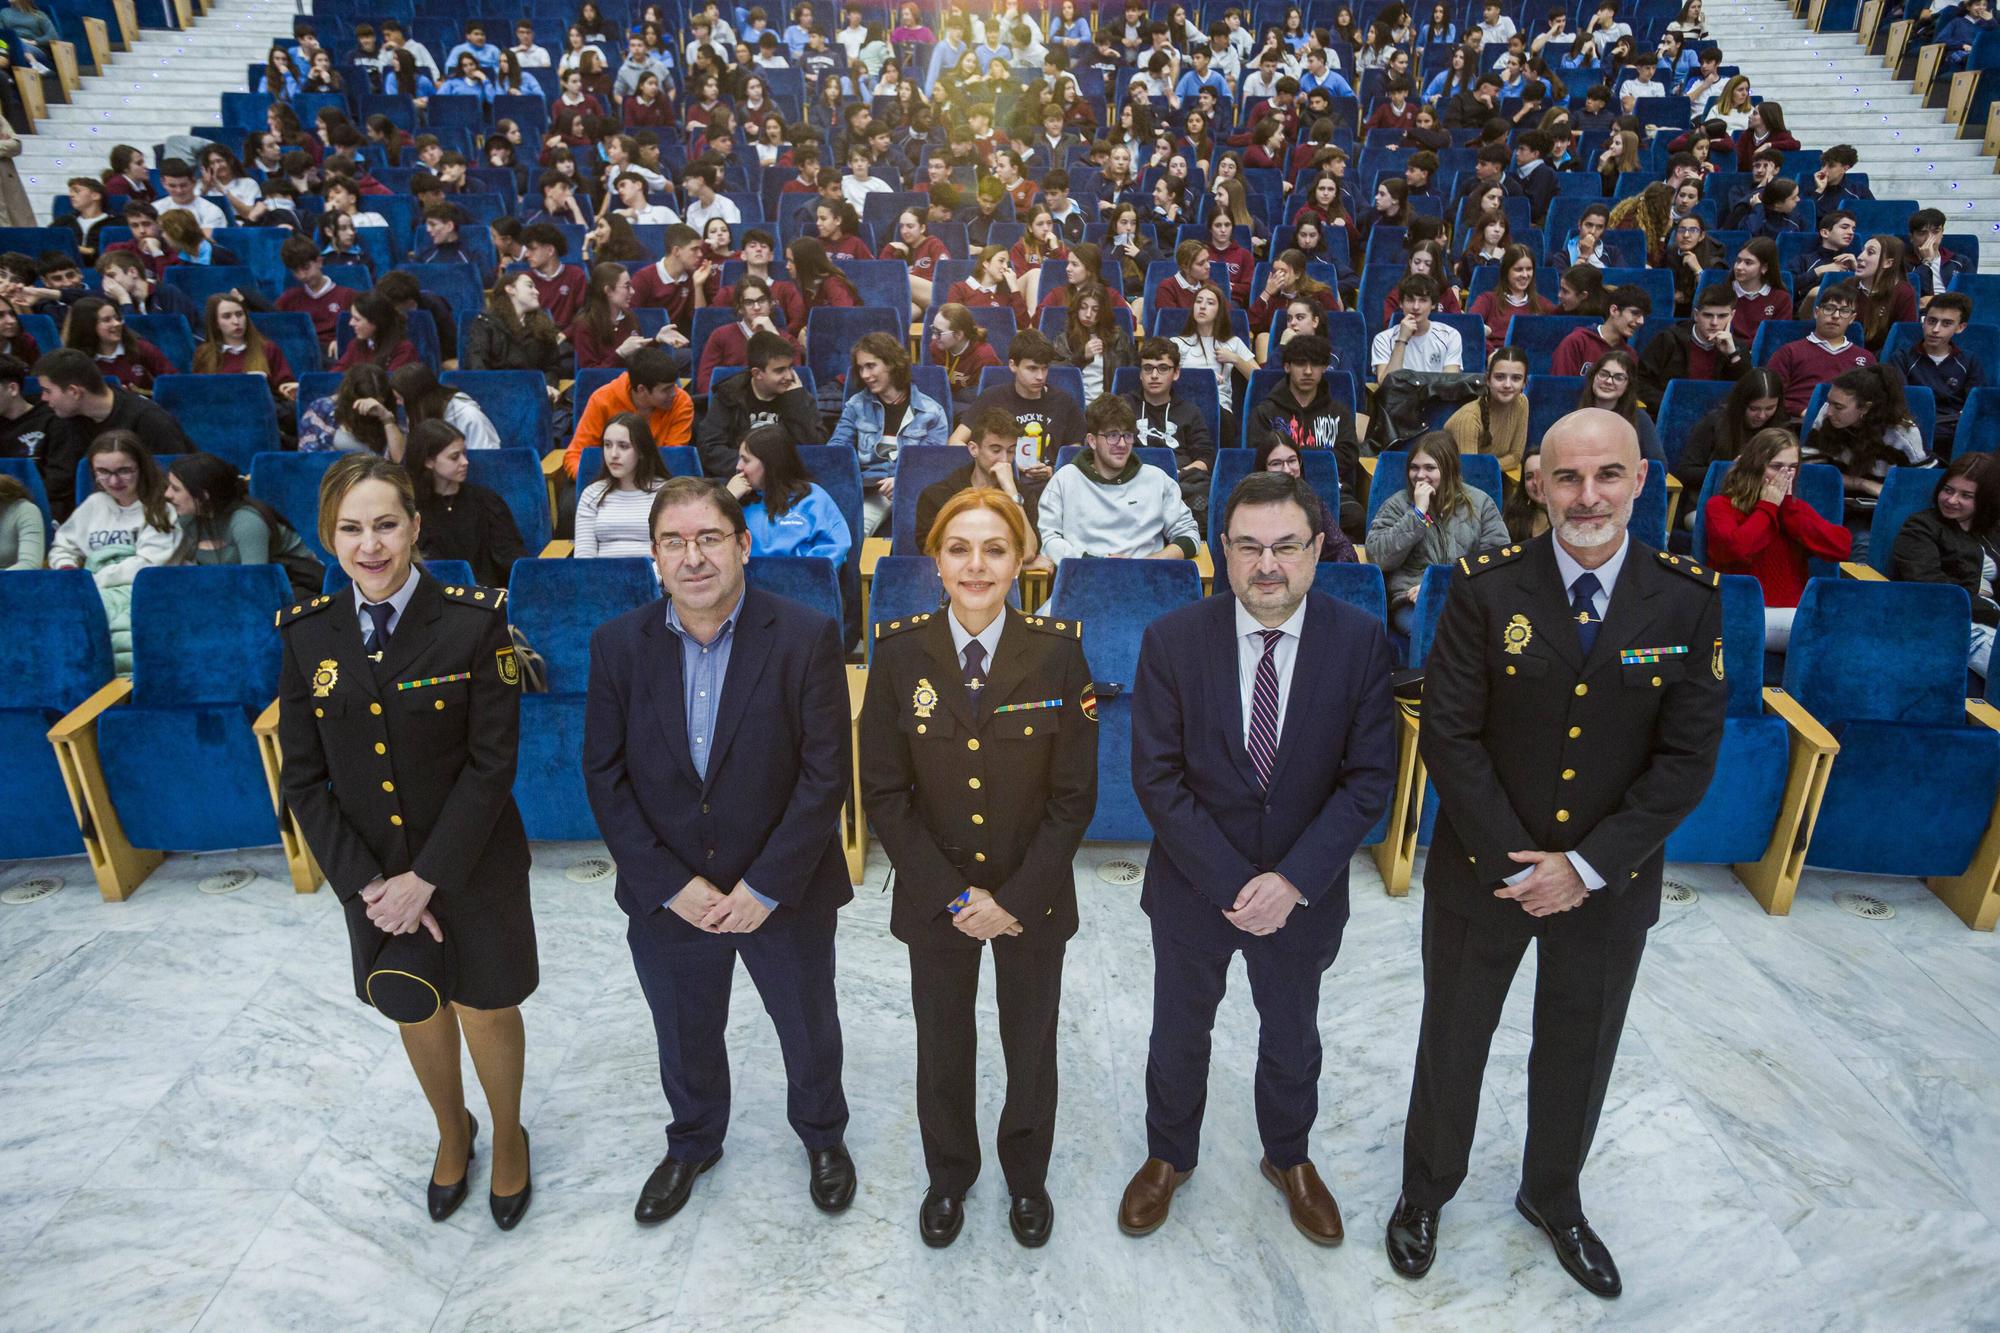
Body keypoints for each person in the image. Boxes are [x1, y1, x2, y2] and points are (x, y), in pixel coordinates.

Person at [1391, 407, 1727, 1296]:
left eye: (1607, 475)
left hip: (1607, 888)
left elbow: (1687, 760)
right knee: (1452, 1041)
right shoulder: (1483, 587)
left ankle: (1554, 1197)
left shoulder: (1687, 598)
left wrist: (1580, 868)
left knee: (1579, 1049)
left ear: (1640, 481)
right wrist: (1520, 862)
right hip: (1482, 877)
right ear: (1536, 485)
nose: (1588, 496)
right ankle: (1425, 1190)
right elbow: (1450, 737)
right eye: (1567, 478)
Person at [1119, 468, 1395, 1243]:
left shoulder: (1361, 640)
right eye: (1249, 546)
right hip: (1192, 890)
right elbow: (1158, 778)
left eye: (1285, 546)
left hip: (1304, 895)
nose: (1267, 564)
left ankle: (1289, 1156)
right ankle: (1169, 1155)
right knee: (1179, 1030)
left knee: (1292, 1034)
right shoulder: (1171, 641)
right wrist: (1239, 882)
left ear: (1316, 551)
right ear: (1224, 553)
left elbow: (1369, 782)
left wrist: (1292, 882)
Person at [582, 474, 857, 1223]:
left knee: (806, 1022)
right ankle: (696, 1138)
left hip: (783, 888)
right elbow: (605, 777)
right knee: (684, 1026)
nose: (692, 556)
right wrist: (671, 884)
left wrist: (763, 884)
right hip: (669, 895)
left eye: (709, 538)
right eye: (674, 541)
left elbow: (824, 772)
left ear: (743, 544)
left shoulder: (805, 635)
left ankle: (823, 1134)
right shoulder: (617, 647)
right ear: (654, 555)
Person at [858, 484, 1096, 1247]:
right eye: (959, 547)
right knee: (943, 1043)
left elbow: (1073, 798)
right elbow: (886, 792)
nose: (977, 563)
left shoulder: (1058, 651)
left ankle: (1027, 1176)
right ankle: (949, 1175)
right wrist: (956, 894)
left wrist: (1013, 898)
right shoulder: (899, 651)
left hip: (1033, 895)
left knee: (1031, 1043)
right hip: (938, 896)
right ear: (935, 560)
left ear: (1021, 559)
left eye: (995, 547)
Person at [1705, 427, 1852, 648]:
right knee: (1829, 633)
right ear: (1755, 467)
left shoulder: (1794, 511)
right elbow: (1736, 549)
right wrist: (1767, 507)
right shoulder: (1720, 506)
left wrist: (1788, 511)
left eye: (1792, 467)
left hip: (1792, 613)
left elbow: (1841, 547)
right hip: (1743, 611)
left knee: (1845, 627)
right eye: (1776, 467)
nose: (1786, 475)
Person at [1368, 432, 1511, 633]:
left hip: (1466, 600)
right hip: (1413, 604)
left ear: (1448, 469)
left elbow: (1496, 560)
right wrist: (1417, 514)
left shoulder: (1481, 503)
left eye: (1430, 468)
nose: (1419, 475)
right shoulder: (1397, 504)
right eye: (1414, 467)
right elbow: (1378, 556)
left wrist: (1441, 589)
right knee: (1441, 633)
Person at [31, 348, 193, 519]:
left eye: (47, 391)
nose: (43, 398)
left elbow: (177, 483)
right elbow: (61, 483)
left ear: (74, 392)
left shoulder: (149, 420)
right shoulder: (68, 419)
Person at [1035, 395, 1198, 563]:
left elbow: (1188, 535)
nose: (1121, 444)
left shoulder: (1157, 479)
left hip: (1145, 580)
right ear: (1092, 441)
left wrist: (1145, 564)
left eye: (1127, 435)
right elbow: (1048, 539)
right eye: (1112, 435)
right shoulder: (1065, 479)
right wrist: (1095, 564)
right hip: (1084, 578)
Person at [827, 332, 950, 537]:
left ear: (891, 364)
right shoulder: (856, 406)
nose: (865, 375)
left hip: (915, 489)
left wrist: (902, 479)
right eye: (860, 368)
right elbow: (836, 451)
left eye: (871, 366)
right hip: (870, 488)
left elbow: (932, 464)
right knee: (851, 532)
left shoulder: (931, 411)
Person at [1893, 455, 2000, 678]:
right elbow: (1934, 589)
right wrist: (1992, 611)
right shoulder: (1922, 527)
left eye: (1966, 496)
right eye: (1948, 490)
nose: (1951, 500)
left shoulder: (1993, 531)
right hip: (1945, 621)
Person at [163, 452, 321, 593]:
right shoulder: (188, 518)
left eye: (175, 489)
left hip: (294, 590)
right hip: (231, 591)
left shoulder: (247, 523)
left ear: (204, 496)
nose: (167, 494)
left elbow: (254, 586)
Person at [946, 330, 1083, 490]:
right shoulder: (992, 398)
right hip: (999, 488)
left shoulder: (1064, 402)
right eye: (1032, 368)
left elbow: (1074, 455)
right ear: (1013, 365)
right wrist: (1004, 463)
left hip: (1051, 488)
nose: (1040, 376)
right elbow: (955, 442)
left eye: (1045, 368)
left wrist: (1054, 471)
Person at [405, 420, 526, 585]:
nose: (465, 462)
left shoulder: (486, 501)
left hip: (491, 596)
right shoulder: (412, 511)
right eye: (454, 457)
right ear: (429, 461)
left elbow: (511, 556)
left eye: (464, 454)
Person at [693, 330, 826, 478]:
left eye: (790, 367)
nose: (789, 376)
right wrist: (754, 468)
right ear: (757, 373)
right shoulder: (729, 395)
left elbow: (815, 448)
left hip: (785, 480)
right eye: (780, 370)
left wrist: (795, 402)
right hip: (741, 478)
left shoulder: (798, 396)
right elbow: (710, 448)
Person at [563, 346, 696, 477]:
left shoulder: (681, 402)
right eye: (666, 389)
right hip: (609, 478)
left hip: (656, 480)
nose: (674, 393)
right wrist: (592, 481)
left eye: (674, 386)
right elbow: (575, 456)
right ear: (642, 390)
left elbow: (673, 460)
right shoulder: (602, 400)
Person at [1125, 338, 1215, 527]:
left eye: (1163, 368)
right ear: (1140, 374)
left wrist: (1178, 474)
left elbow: (1205, 459)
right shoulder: (1123, 407)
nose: (1154, 375)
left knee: (1204, 487)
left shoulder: (1190, 412)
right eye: (1148, 368)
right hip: (1130, 478)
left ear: (1176, 373)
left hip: (1178, 480)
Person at [1673, 368, 1787, 507]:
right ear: (1741, 403)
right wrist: (1728, 470)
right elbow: (1685, 472)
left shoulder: (1780, 429)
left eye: (1770, 408)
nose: (1762, 415)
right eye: (1754, 409)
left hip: (1760, 502)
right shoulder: (1714, 423)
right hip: (1710, 501)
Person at [1891, 293, 1985, 458]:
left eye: (1946, 323)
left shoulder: (1969, 361)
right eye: (1931, 321)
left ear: (1960, 327)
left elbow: (1975, 406)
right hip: (1912, 428)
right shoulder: (1902, 357)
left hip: (1953, 429)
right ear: (1924, 321)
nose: (1935, 329)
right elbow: (1900, 401)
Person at [1767, 282, 1876, 418]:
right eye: (1829, 308)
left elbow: (1872, 401)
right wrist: (1804, 413)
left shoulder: (1866, 358)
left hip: (1848, 427)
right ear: (1816, 312)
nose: (1836, 315)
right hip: (1799, 422)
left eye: (1844, 311)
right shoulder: (1789, 352)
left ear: (1852, 318)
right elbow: (1770, 396)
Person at [1633, 282, 1746, 411]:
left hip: (1718, 418)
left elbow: (1748, 393)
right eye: (1708, 315)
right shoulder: (1668, 339)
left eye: (1722, 316)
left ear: (1732, 315)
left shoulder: (1737, 348)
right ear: (1696, 315)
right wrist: (1673, 404)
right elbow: (1639, 382)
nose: (1714, 323)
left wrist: (1733, 355)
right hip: (1672, 413)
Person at [574, 413, 670, 562]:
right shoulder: (591, 493)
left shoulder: (666, 494)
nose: (613, 454)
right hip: (603, 579)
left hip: (655, 579)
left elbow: (672, 551)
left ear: (641, 451)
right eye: (607, 445)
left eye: (623, 446)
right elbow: (584, 556)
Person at [1444, 346, 1530, 473]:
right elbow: (1470, 472)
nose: (1507, 385)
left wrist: (1488, 467)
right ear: (1487, 380)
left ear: (1525, 383)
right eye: (1500, 377)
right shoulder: (1468, 419)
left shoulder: (1522, 402)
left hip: (1494, 479)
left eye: (1516, 378)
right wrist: (1494, 466)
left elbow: (1516, 457)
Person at [63, 296, 174, 395]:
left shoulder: (141, 348)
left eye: (117, 318)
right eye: (107, 320)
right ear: (87, 326)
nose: (116, 324)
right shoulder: (76, 360)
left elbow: (173, 381)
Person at [1371, 274, 1464, 381]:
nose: (1416, 307)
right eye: (1410, 300)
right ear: (1401, 303)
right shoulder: (1383, 339)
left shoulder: (1450, 336)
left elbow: (1449, 383)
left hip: (1436, 397)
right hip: (1399, 397)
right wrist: (1401, 340)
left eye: (1423, 300)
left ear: (1433, 304)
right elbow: (1386, 385)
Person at [1550, 285, 1648, 378]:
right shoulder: (1576, 342)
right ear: (1614, 310)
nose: (1641, 321)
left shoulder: (1630, 355)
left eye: (1644, 316)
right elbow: (1560, 388)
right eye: (1635, 313)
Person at [927, 302, 1004, 396]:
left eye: (939, 332)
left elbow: (983, 399)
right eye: (933, 329)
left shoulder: (984, 358)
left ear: (959, 335)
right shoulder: (936, 347)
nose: (933, 337)